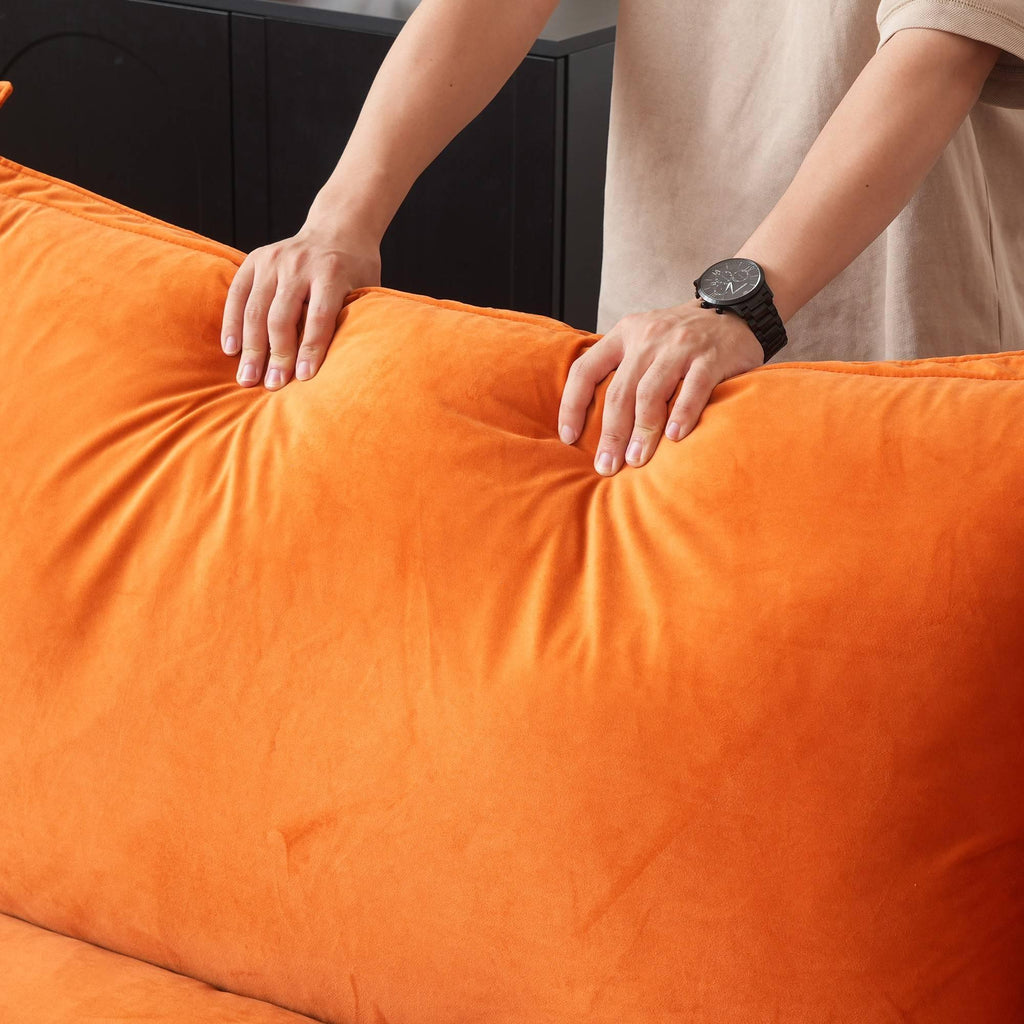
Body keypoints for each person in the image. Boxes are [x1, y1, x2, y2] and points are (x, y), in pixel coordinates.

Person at [219, 0, 1024, 478]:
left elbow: (943, 47)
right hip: (658, 358)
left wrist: (741, 303)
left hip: (897, 351)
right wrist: (339, 220)